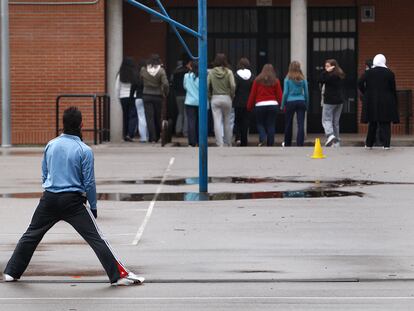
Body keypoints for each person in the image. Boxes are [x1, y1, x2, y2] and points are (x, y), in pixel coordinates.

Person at [3, 107, 144, 286]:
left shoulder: (51, 145)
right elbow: (89, 183)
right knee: (96, 238)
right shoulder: (84, 150)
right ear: (81, 125)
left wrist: (51, 186)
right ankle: (118, 274)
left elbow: (44, 173)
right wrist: (93, 206)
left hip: (49, 199)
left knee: (30, 235)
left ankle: (11, 272)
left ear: (62, 124)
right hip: (73, 202)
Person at [358, 54, 399, 149]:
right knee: (385, 123)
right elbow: (393, 88)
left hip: (372, 100)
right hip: (386, 100)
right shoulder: (389, 73)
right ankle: (386, 145)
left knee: (372, 123)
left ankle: (368, 144)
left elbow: (359, 82)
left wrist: (365, 92)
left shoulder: (369, 72)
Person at [247, 64, 283, 146]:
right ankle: (270, 143)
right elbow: (279, 95)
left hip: (260, 105)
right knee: (271, 124)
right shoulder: (275, 81)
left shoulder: (257, 80)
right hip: (273, 104)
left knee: (260, 123)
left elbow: (253, 94)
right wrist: (282, 105)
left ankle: (263, 138)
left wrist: (249, 106)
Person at [208, 53, 236, 147]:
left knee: (217, 121)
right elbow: (232, 85)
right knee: (227, 121)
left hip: (215, 97)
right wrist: (232, 95)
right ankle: (228, 142)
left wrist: (210, 96)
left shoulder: (211, 72)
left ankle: (219, 143)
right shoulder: (229, 72)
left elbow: (207, 85)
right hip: (227, 98)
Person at [141, 54, 169, 143]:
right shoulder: (161, 71)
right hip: (157, 96)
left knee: (149, 117)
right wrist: (165, 93)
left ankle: (152, 138)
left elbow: (140, 80)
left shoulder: (143, 69)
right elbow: (165, 84)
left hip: (146, 95)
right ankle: (157, 136)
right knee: (157, 117)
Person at [281, 61, 309, 147]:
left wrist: (282, 104)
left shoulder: (287, 79)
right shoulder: (303, 79)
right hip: (301, 101)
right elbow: (306, 93)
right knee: (300, 124)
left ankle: (287, 143)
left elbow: (285, 93)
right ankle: (300, 143)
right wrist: (306, 104)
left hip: (290, 102)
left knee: (288, 123)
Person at [319, 59, 346, 147]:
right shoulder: (340, 74)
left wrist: (325, 72)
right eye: (325, 66)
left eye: (327, 66)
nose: (326, 68)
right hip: (339, 101)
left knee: (326, 119)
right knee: (335, 121)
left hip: (330, 101)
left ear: (332, 66)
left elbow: (320, 80)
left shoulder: (330, 76)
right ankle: (336, 141)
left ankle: (330, 135)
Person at [116, 57, 139, 142]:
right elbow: (136, 86)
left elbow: (117, 88)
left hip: (123, 97)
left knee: (125, 116)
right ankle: (130, 134)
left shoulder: (120, 74)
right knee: (132, 116)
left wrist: (118, 98)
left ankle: (125, 134)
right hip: (133, 97)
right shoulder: (135, 74)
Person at [233, 57, 255, 146]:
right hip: (248, 102)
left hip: (238, 102)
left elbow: (234, 88)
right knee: (246, 121)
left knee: (238, 121)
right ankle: (244, 140)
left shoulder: (236, 76)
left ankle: (237, 137)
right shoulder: (252, 76)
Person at [171, 58, 190, 137]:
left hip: (178, 95)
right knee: (186, 113)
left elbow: (171, 83)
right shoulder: (188, 72)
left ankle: (178, 130)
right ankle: (185, 132)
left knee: (180, 113)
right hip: (186, 94)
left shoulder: (175, 72)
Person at [131, 60, 148, 143]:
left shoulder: (136, 76)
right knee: (148, 117)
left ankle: (143, 137)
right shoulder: (148, 75)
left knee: (141, 118)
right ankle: (148, 136)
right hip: (147, 97)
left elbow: (133, 88)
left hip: (138, 98)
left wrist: (131, 97)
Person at [183, 61, 200, 147]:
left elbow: (185, 87)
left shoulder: (186, 76)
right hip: (200, 102)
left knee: (191, 122)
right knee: (200, 122)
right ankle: (199, 141)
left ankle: (192, 142)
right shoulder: (202, 76)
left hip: (189, 101)